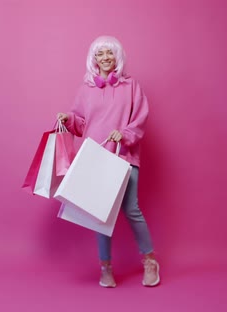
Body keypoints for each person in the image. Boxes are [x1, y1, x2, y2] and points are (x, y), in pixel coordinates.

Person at [57, 36, 160, 288]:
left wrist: (124, 134)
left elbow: (141, 118)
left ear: (117, 58)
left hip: (125, 155)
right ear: (94, 58)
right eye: (100, 53)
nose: (105, 58)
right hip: (95, 158)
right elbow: (81, 123)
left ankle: (149, 261)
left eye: (109, 53)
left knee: (131, 210)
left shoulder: (131, 86)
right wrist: (68, 119)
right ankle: (105, 268)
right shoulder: (86, 88)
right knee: (99, 213)